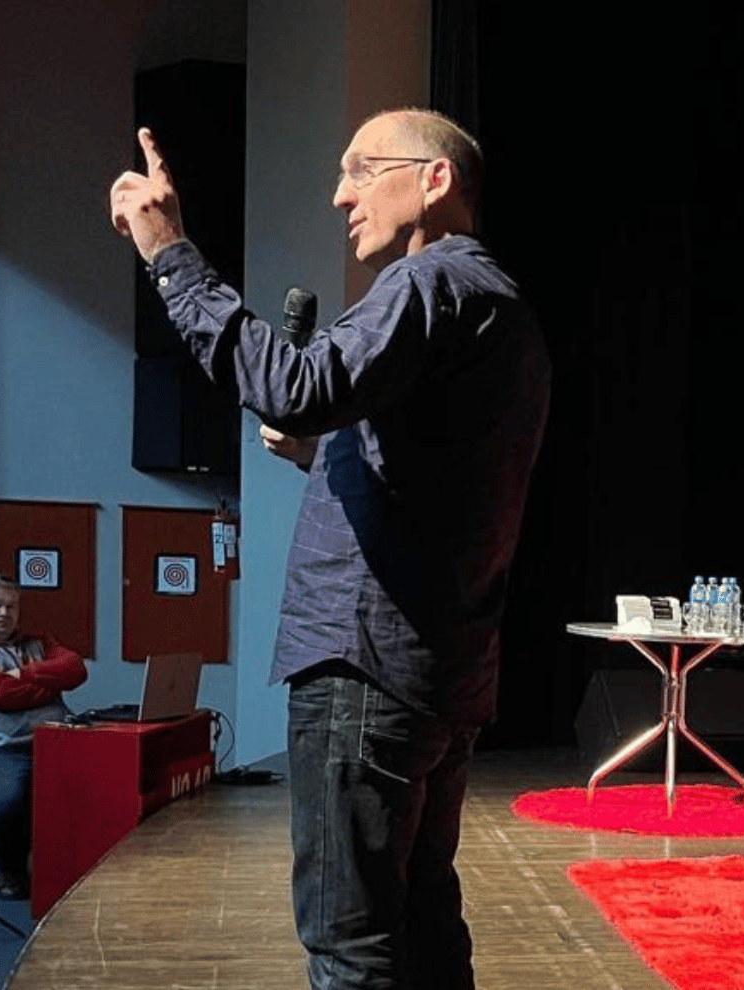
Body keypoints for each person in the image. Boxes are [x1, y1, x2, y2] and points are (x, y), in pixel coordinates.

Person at [110, 109, 551, 989]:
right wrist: (326, 453)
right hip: (439, 669)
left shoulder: (428, 282)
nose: (340, 195)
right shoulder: (506, 310)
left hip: (365, 666)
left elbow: (294, 386)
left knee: (350, 943)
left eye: (361, 169)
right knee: (423, 920)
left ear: (434, 178)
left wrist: (169, 252)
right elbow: (440, 480)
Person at [0, 571, 88, 899]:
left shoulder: (37, 642)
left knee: (106, 781)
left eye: (11, 606)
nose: (4, 613)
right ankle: (9, 871)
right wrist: (47, 686)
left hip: (58, 740)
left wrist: (21, 673)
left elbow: (76, 669)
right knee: (7, 800)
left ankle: (79, 865)